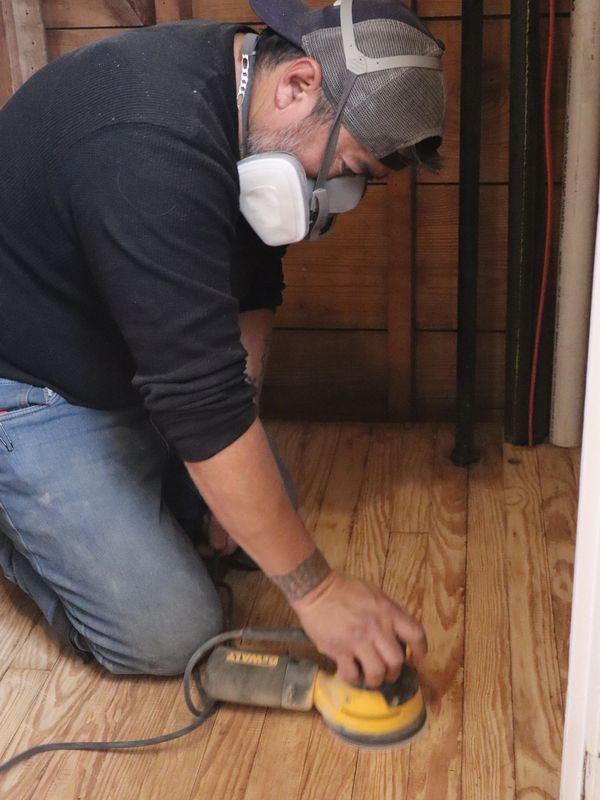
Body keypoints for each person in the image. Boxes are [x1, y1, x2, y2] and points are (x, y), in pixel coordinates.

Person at [0, 0, 446, 687]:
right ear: (298, 84)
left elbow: (253, 289)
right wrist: (317, 593)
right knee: (171, 636)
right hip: (28, 386)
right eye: (343, 166)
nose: (332, 195)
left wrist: (228, 449)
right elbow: (200, 402)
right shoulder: (147, 145)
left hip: (122, 357)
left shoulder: (246, 107)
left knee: (259, 513)